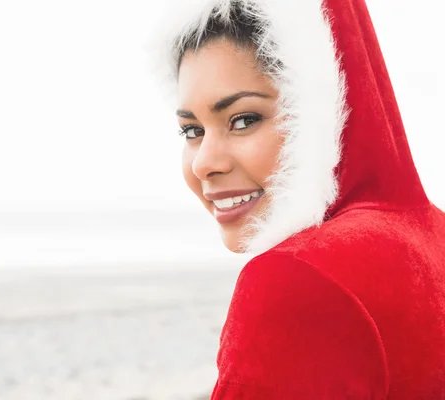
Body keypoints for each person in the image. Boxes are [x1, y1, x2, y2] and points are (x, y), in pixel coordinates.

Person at [157, 0, 445, 398]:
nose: (205, 162)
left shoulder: (294, 277)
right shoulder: (435, 236)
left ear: (320, 112)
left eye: (243, 120)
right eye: (192, 131)